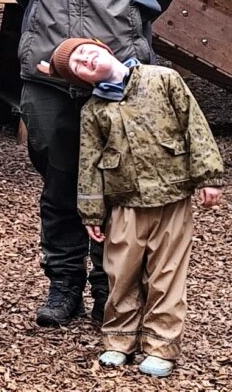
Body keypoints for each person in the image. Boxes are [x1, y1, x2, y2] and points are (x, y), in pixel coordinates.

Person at [8, 0, 182, 327]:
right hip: (48, 73)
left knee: (115, 183)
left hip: (117, 76)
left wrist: (127, 30)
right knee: (59, 180)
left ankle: (110, 283)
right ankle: (63, 286)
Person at [42, 38, 223, 378]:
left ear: (104, 49)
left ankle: (161, 345)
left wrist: (209, 176)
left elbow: (194, 127)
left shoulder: (162, 78)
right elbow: (89, 165)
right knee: (120, 273)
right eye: (78, 65)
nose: (85, 59)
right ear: (83, 81)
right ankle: (120, 338)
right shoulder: (93, 112)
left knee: (167, 274)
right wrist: (92, 213)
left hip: (172, 197)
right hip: (124, 203)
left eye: (85, 51)